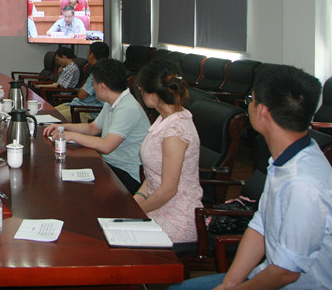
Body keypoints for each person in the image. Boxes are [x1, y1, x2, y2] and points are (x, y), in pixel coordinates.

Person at [170, 65, 331, 289]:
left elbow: (285, 273)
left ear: (262, 111)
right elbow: (260, 225)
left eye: (251, 100)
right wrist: (229, 283)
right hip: (265, 274)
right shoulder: (288, 157)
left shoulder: (302, 184)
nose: (249, 106)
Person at [43, 59, 150, 193]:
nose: (93, 87)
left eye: (94, 83)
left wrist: (72, 136)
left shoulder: (127, 108)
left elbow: (106, 146)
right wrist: (64, 127)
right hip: (110, 165)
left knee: (75, 189)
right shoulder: (112, 101)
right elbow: (93, 128)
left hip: (126, 173)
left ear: (102, 86)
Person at [134, 59, 202, 244]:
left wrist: (135, 212)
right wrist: (136, 200)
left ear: (151, 92)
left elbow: (168, 190)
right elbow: (154, 172)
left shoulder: (175, 132)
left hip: (176, 218)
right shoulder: (164, 119)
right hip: (156, 206)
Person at [57, 41, 110, 122]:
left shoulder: (98, 73)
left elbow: (82, 95)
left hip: (86, 111)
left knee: (51, 116)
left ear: (92, 55)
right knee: (49, 112)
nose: (87, 55)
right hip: (77, 105)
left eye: (88, 52)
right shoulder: (102, 70)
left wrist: (80, 90)